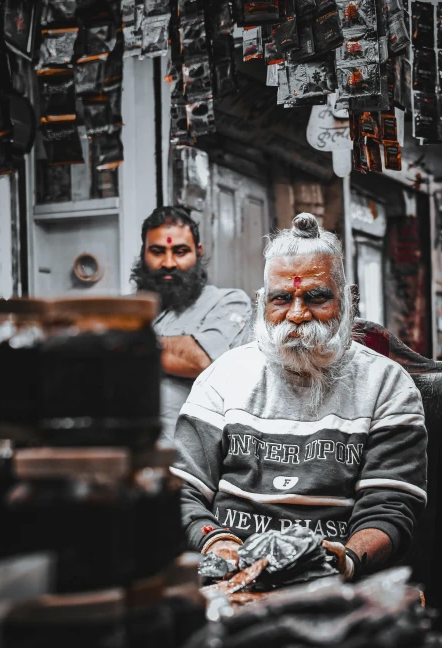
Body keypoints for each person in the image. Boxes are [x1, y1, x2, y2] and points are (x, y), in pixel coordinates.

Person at [171, 213, 427, 580]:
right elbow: (182, 490)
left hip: (339, 579)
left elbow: (389, 507)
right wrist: (221, 547)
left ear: (346, 301)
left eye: (316, 296)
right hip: (229, 573)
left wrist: (342, 562)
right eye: (281, 298)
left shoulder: (386, 384)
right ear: (261, 303)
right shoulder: (223, 377)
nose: (297, 313)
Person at [131, 206, 252, 445]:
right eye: (157, 251)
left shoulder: (227, 302)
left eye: (180, 251)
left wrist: (122, 342)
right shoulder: (130, 310)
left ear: (198, 252)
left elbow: (199, 359)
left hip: (184, 466)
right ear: (144, 253)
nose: (168, 262)